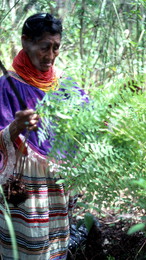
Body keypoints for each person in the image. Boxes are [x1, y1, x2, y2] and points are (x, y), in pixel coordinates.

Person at [0, 13, 87, 260]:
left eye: (56, 48)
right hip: (25, 193)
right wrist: (15, 128)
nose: (50, 56)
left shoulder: (66, 85)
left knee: (55, 247)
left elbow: (90, 123)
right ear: (25, 42)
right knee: (28, 249)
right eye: (44, 48)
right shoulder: (5, 87)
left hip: (58, 189)